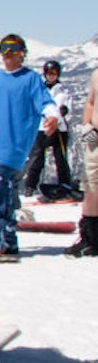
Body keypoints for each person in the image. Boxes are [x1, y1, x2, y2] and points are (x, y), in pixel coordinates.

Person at [0, 34, 60, 260]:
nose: (8, 54)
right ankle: (8, 243)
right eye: (4, 49)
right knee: (5, 196)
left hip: (10, 148)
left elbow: (46, 103)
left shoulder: (30, 79)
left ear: (22, 53)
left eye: (14, 49)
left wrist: (53, 116)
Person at [22, 59, 74, 198]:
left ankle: (65, 183)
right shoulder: (39, 90)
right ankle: (30, 185)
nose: (51, 76)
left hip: (59, 129)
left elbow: (67, 106)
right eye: (49, 73)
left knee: (60, 158)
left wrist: (62, 111)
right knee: (37, 157)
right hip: (41, 127)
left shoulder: (63, 90)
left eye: (54, 73)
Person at [65, 67, 98, 257]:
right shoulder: (97, 75)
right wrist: (87, 124)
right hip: (96, 141)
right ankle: (91, 239)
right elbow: (91, 102)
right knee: (91, 187)